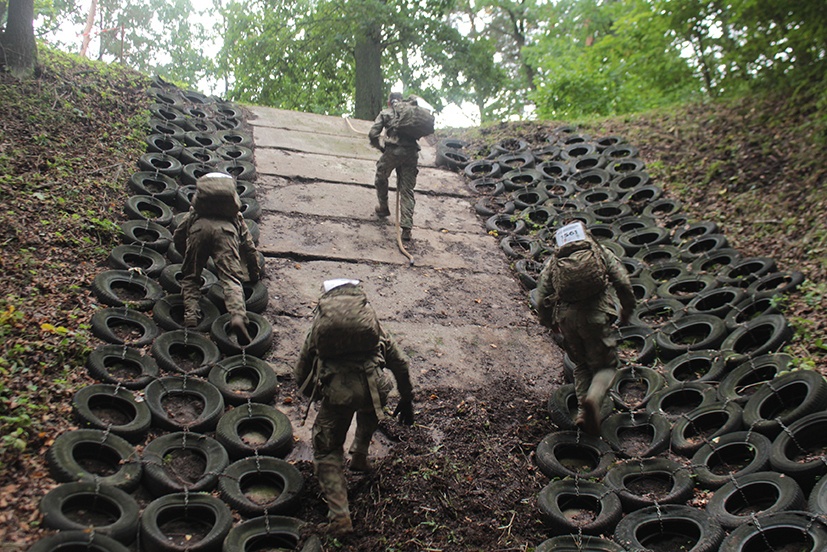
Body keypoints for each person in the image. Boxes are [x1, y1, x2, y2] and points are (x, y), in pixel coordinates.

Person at [295, 279, 415, 535]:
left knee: (327, 450)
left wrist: (313, 394)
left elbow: (302, 369)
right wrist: (407, 397)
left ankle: (340, 518)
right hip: (374, 388)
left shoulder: (320, 328)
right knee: (370, 408)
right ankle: (360, 455)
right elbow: (400, 362)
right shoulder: (372, 325)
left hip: (339, 394)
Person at [535, 221, 636, 436]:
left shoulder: (556, 261)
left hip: (567, 319)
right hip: (596, 315)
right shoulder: (599, 252)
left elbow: (541, 296)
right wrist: (627, 309)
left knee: (581, 364)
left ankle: (583, 412)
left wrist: (550, 323)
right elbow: (623, 282)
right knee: (606, 366)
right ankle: (593, 400)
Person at [172, 172, 261, 345]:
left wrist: (187, 257)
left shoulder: (195, 212)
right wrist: (254, 271)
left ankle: (191, 315)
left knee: (191, 277)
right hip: (226, 233)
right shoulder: (236, 216)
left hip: (199, 230)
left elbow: (178, 235)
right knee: (230, 279)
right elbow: (249, 246)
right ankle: (237, 317)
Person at [368, 92, 421, 242]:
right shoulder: (411, 114)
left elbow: (373, 134)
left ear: (389, 102)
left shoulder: (386, 113)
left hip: (393, 152)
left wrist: (381, 148)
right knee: (407, 190)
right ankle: (406, 228)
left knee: (381, 176)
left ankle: (383, 207)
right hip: (412, 154)